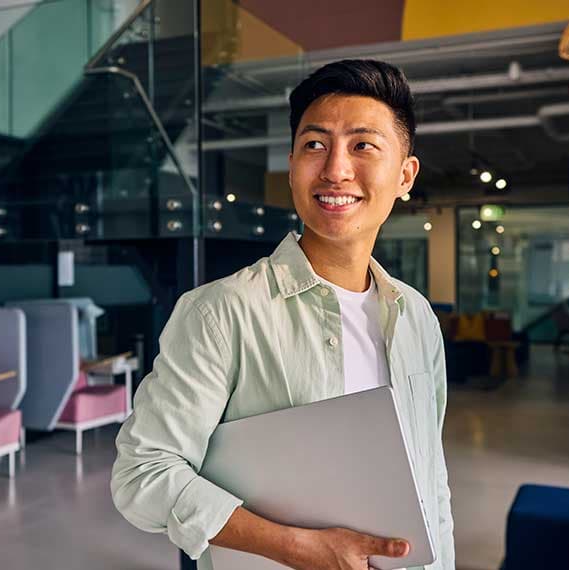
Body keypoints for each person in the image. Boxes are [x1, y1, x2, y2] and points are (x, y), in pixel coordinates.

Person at [111, 59, 455, 570]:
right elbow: (144, 473)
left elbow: (431, 476)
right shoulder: (221, 313)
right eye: (315, 145)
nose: (336, 169)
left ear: (405, 175)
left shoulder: (417, 316)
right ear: (292, 164)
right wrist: (295, 547)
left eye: (363, 145)